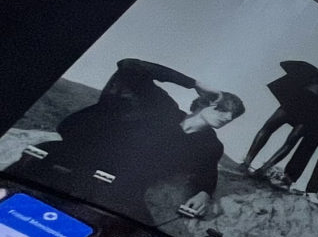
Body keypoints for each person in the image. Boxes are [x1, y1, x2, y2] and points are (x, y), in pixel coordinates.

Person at [16, 59, 244, 220]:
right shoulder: (163, 108)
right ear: (205, 102)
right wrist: (194, 83)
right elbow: (131, 66)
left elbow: (207, 172)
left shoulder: (210, 145)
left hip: (121, 192)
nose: (228, 117)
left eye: (233, 116)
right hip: (76, 163)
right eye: (224, 109)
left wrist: (204, 192)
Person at [245, 60, 318, 175]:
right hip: (292, 104)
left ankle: (263, 170)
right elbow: (284, 64)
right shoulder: (310, 74)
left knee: (290, 143)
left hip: (307, 116)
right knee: (268, 128)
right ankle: (247, 162)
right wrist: (309, 69)